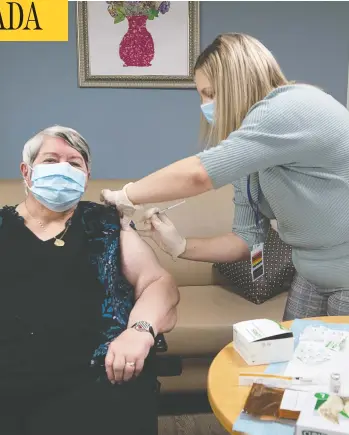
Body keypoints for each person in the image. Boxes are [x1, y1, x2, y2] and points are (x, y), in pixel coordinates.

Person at [101, 33, 349, 321]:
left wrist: (125, 195)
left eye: (210, 93)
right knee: (290, 363)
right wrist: (180, 245)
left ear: (237, 84)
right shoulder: (253, 155)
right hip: (311, 274)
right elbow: (245, 241)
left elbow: (197, 176)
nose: (204, 105)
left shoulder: (292, 107)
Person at [0, 125, 179, 435]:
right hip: (11, 377)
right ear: (26, 173)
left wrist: (140, 331)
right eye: (51, 159)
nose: (63, 169)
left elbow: (158, 282)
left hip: (99, 375)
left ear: (86, 176)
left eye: (74, 163)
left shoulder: (106, 222)